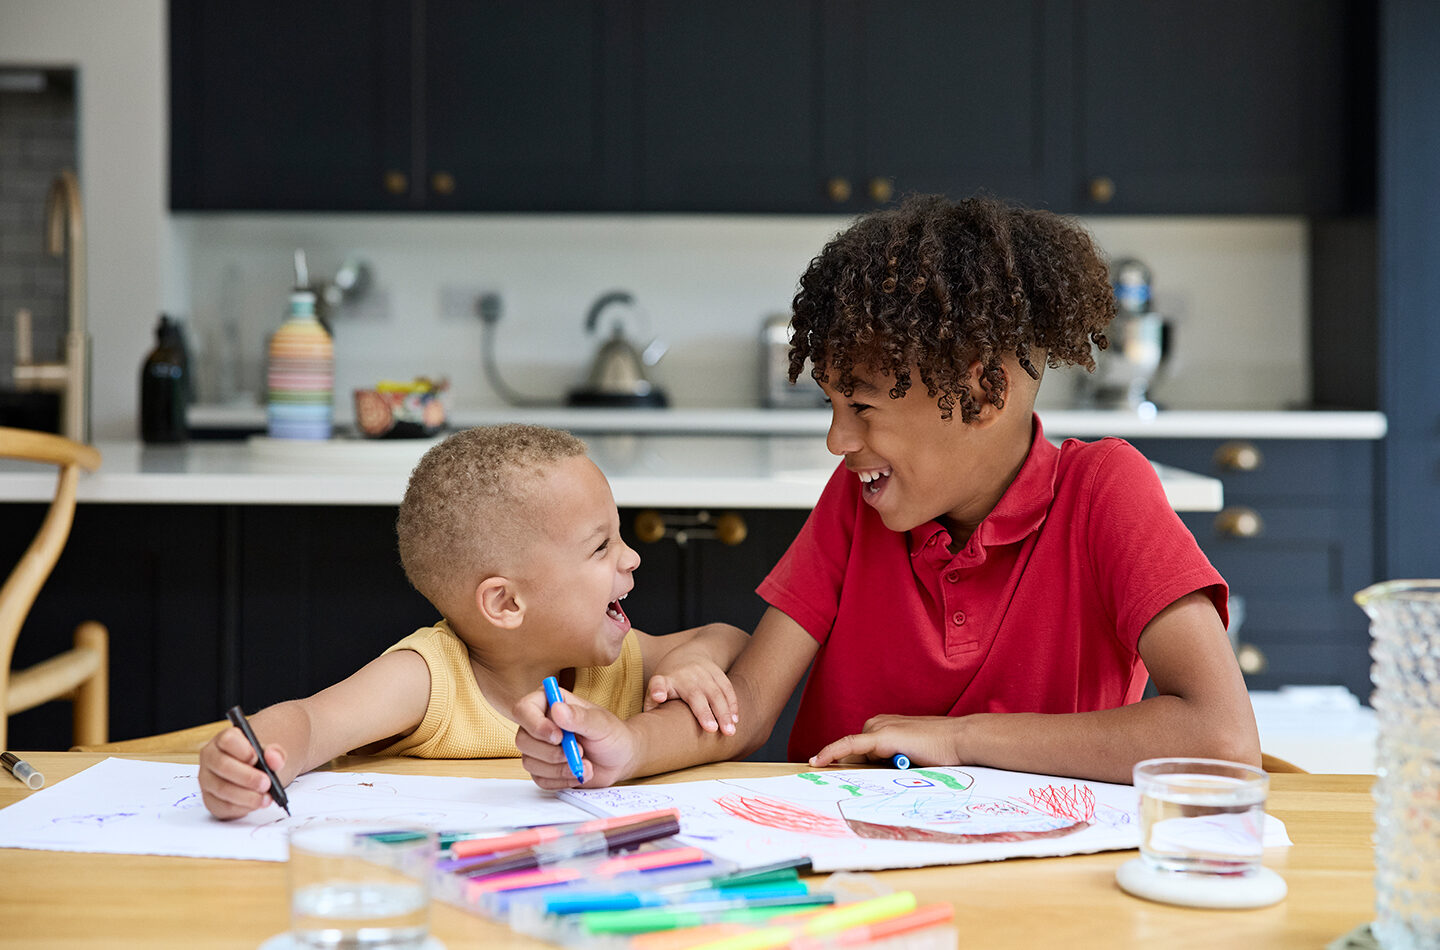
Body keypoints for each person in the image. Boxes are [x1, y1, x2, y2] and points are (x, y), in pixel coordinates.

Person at [516, 194, 1260, 789]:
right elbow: (747, 705)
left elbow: (1221, 739)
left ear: (984, 393)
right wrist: (627, 749)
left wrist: (960, 740)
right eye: (832, 406)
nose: (837, 441)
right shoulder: (857, 504)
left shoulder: (1104, 494)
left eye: (862, 406)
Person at [199, 424, 747, 819]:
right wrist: (253, 758)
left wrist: (692, 661)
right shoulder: (429, 679)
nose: (633, 558)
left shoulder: (620, 661)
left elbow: (728, 639)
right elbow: (312, 722)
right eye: (601, 547)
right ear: (506, 604)